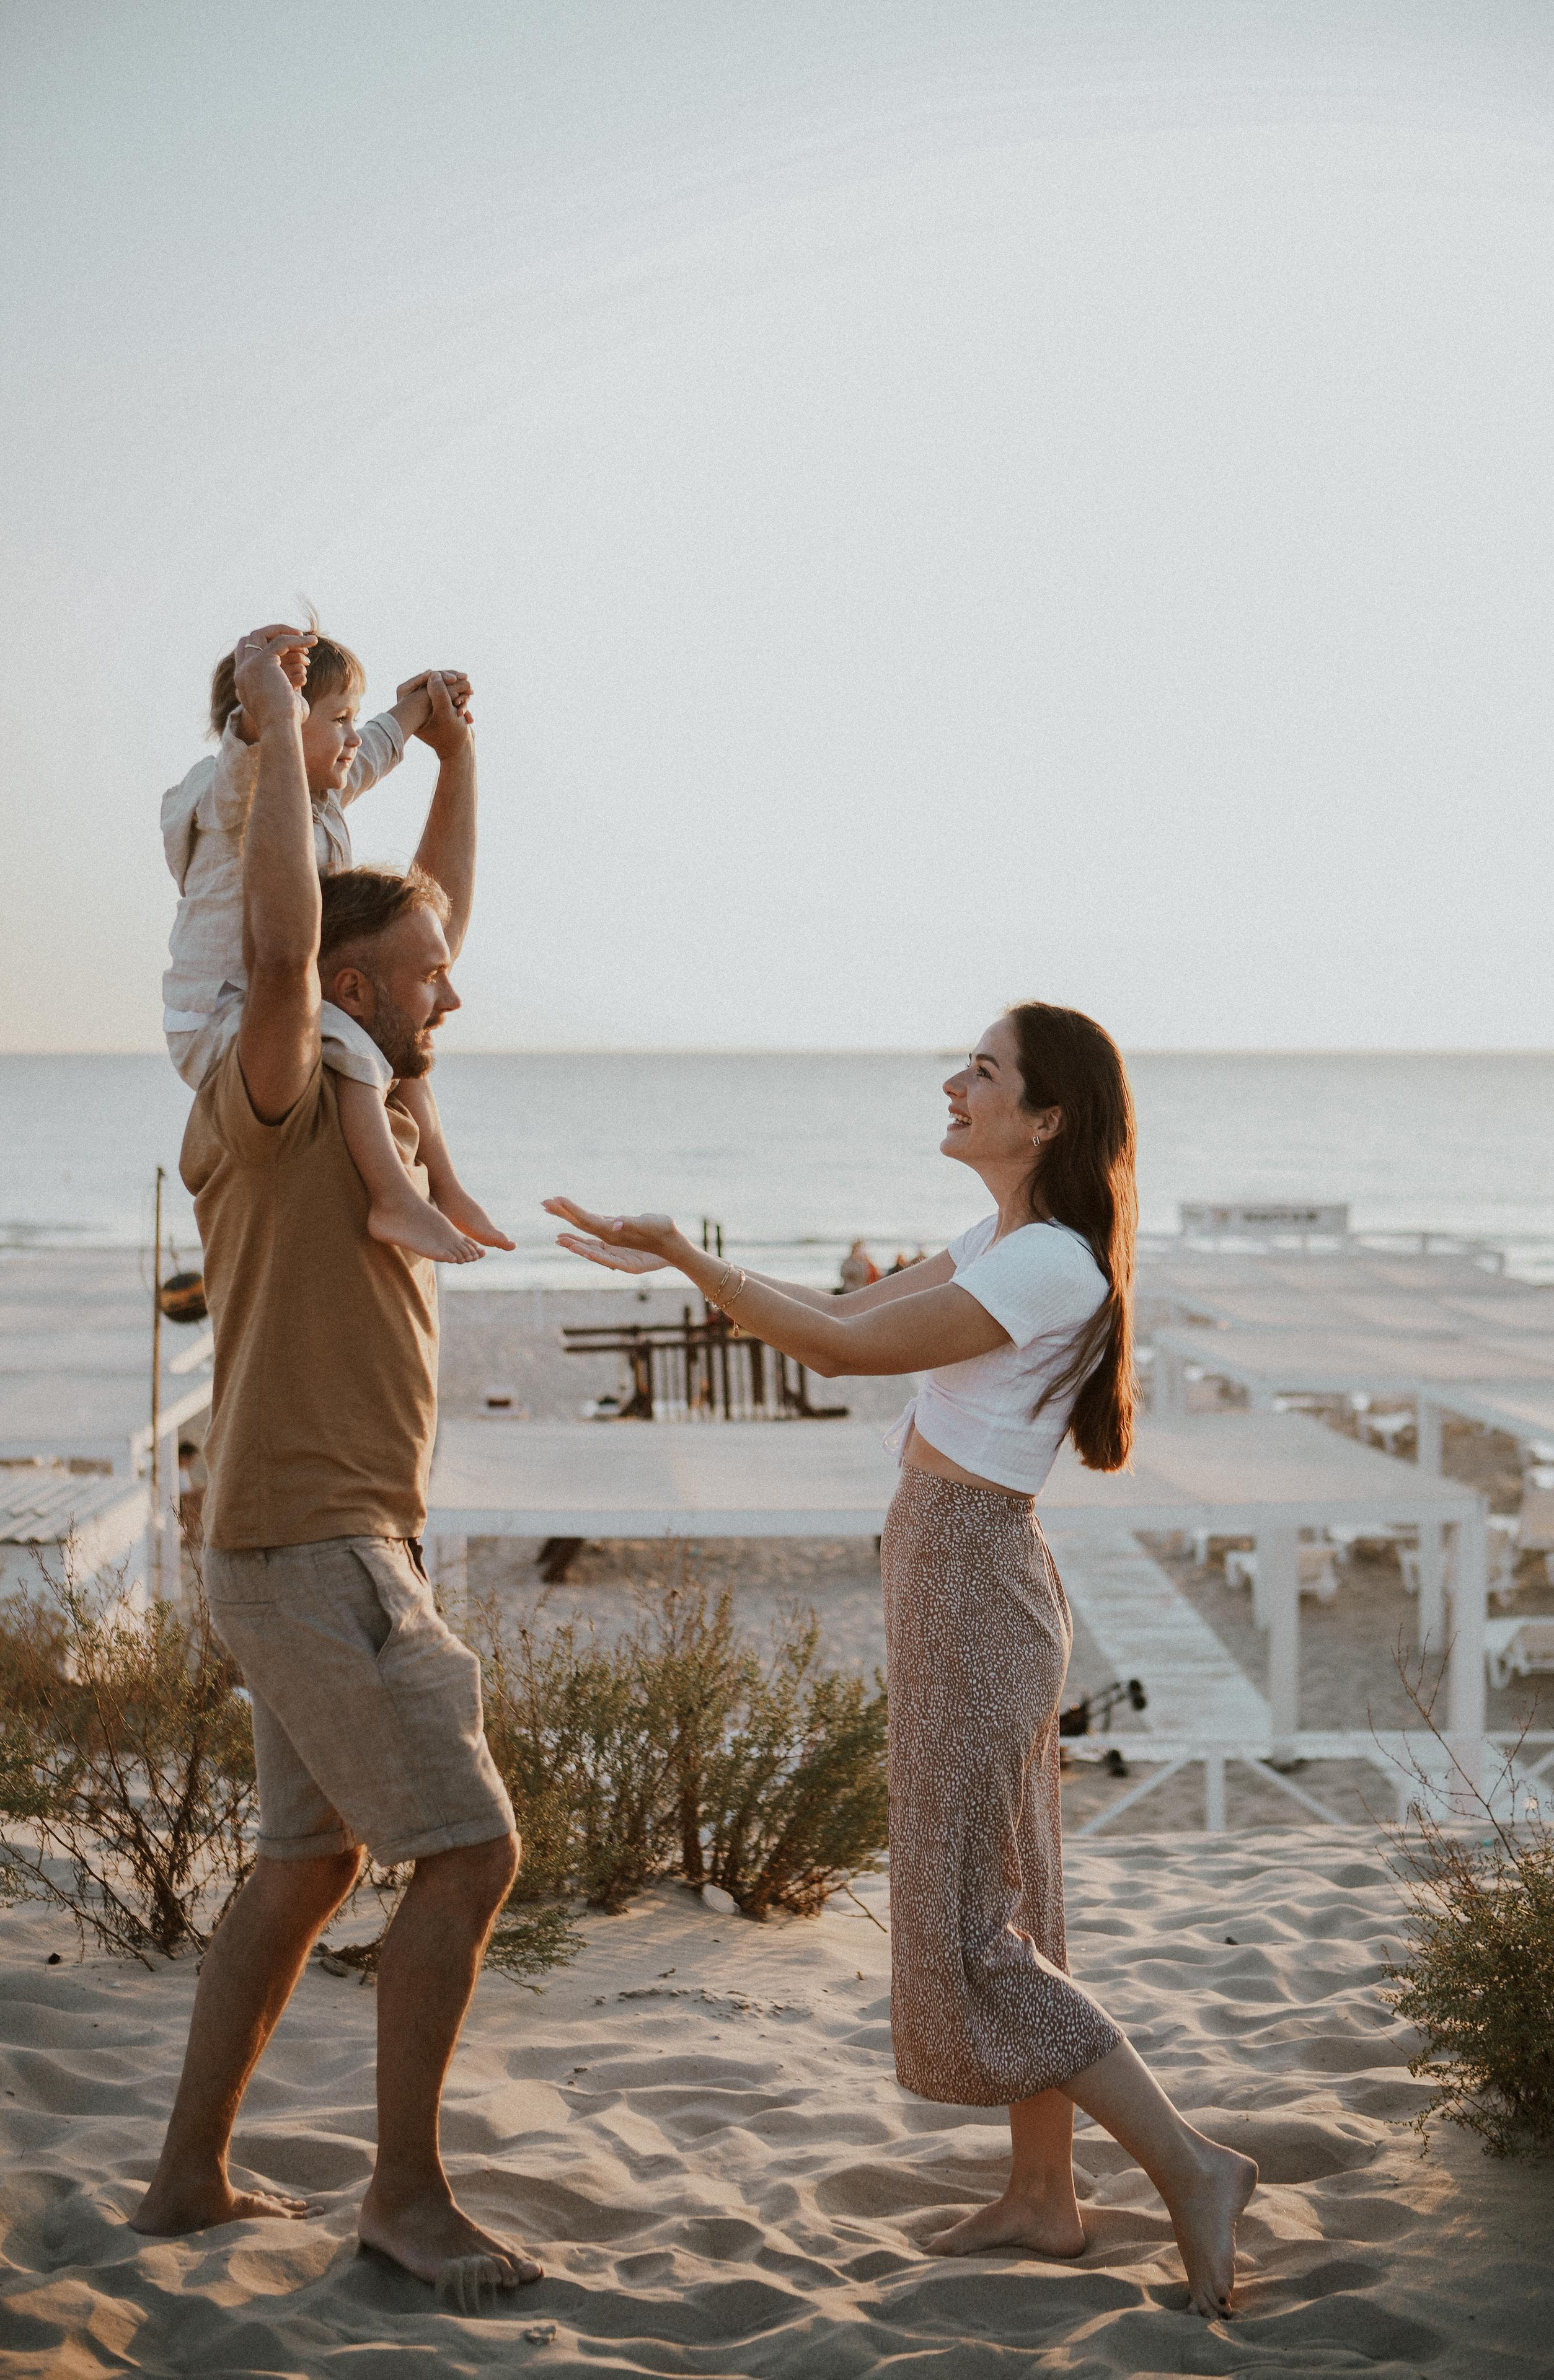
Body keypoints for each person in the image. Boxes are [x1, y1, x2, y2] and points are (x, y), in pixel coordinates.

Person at [545, 1003, 1258, 2320]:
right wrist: (684, 1264)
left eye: (980, 1072)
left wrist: (679, 1257)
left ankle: (1189, 2167)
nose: (953, 1083)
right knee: (1012, 1899)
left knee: (970, 1920)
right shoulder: (1007, 1241)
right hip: (953, 1566)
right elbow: (840, 1307)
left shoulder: (1050, 1265)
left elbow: (834, 1351)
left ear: (1044, 1118)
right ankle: (1044, 2198)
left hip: (970, 1573)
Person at [132, 628, 537, 2306]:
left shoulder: (385, 1063)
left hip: (323, 1535)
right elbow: (304, 951)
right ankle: (408, 2199)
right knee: (472, 1852)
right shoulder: (276, 1082)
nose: (454, 987)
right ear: (352, 996)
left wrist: (452, 757)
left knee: (306, 1862)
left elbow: (406, 927)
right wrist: (273, 733)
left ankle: (184, 2181)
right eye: (422, 976)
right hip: (314, 1544)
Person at [162, 622, 512, 1265]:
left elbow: (375, 744)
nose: (354, 734)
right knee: (358, 1043)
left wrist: (425, 707)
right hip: (222, 1013)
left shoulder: (321, 795)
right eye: (337, 719)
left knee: (399, 1048)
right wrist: (267, 707)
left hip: (288, 998)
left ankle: (443, 1185)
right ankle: (392, 1197)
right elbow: (252, 761)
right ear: (278, 722)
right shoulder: (230, 794)